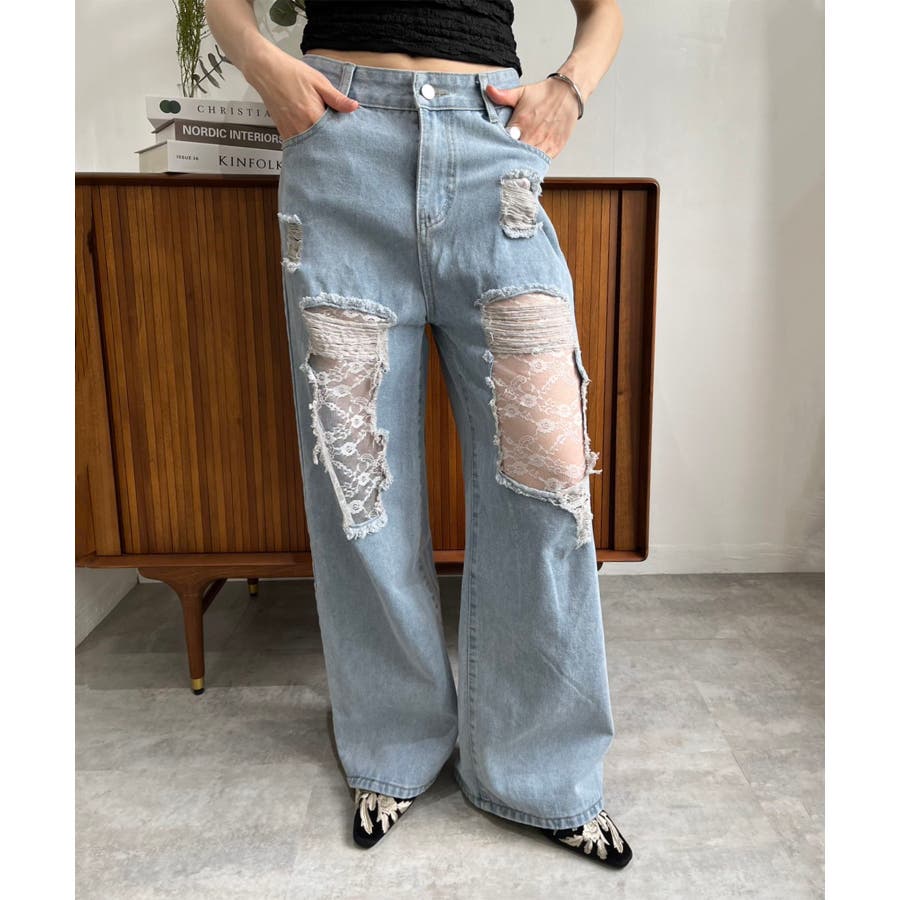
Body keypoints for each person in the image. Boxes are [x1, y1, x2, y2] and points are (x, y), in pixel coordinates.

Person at [206, 0, 630, 868]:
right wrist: (261, 63)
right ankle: (392, 747)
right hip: (343, 145)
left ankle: (543, 771)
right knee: (359, 481)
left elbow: (604, 10)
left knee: (548, 478)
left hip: (490, 148)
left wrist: (570, 89)